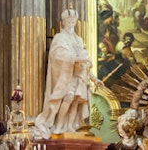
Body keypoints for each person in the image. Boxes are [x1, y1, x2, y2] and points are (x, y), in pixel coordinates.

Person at [33, 8, 99, 138]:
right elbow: (57, 55)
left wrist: (94, 79)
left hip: (80, 76)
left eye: (73, 21)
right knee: (68, 98)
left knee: (75, 101)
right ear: (63, 22)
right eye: (69, 21)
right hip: (66, 76)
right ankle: (59, 125)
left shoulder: (79, 40)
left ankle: (70, 126)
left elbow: (85, 64)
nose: (71, 24)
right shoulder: (59, 37)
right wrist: (75, 59)